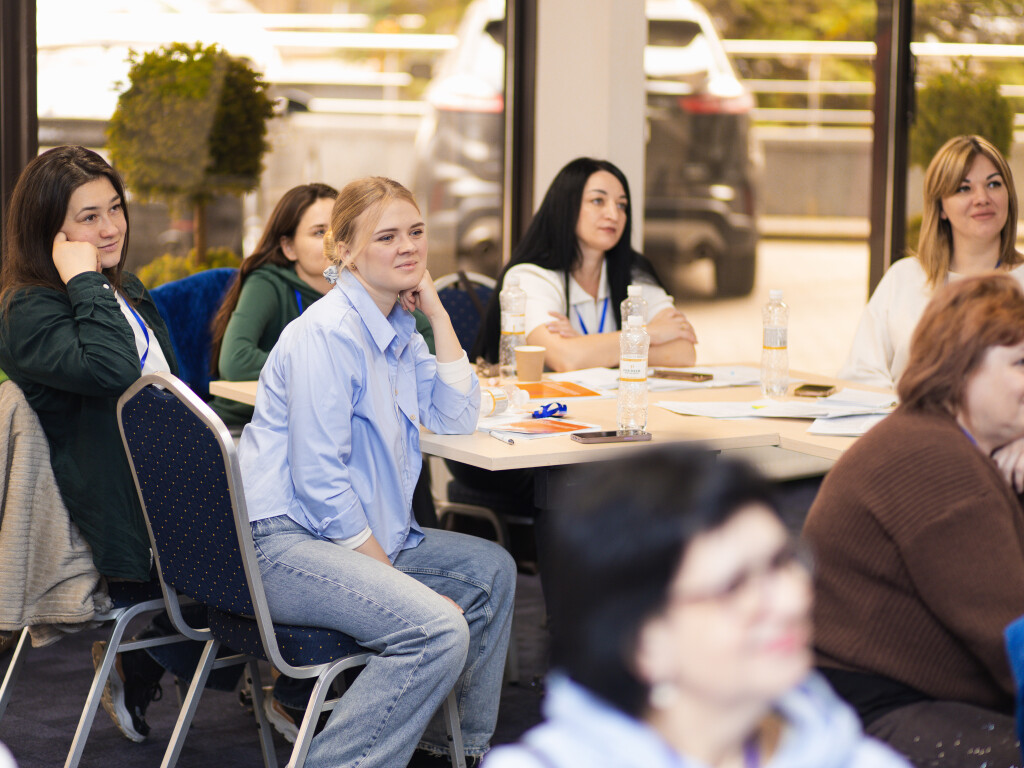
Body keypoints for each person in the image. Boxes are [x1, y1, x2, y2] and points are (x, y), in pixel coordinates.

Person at [238, 176, 516, 767]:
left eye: (415, 232)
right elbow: (319, 484)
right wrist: (395, 583)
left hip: (356, 532)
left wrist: (437, 313)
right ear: (344, 250)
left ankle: (444, 751)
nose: (408, 247)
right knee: (436, 630)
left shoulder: (397, 328)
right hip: (286, 541)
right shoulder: (328, 333)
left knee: (492, 571)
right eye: (387, 237)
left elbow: (456, 416)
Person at [0, 146, 230, 744]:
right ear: (50, 233)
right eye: (89, 217)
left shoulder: (123, 289)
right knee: (271, 577)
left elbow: (170, 388)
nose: (111, 228)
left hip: (173, 487)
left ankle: (154, 661)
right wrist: (81, 278)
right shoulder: (28, 310)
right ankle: (297, 694)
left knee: (306, 529)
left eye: (115, 208)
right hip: (126, 518)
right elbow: (113, 369)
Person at [484, 446, 907, 768]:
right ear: (645, 642)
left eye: (782, 563)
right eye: (734, 586)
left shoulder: (857, 757)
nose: (789, 601)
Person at [805, 273, 1024, 767]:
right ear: (962, 369)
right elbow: (1015, 640)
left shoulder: (943, 440)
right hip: (871, 715)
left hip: (890, 699)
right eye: (1021, 363)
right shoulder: (936, 459)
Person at [208, 182, 435, 426]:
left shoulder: (367, 285)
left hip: (342, 421)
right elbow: (236, 361)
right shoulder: (268, 282)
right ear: (289, 247)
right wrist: (328, 363)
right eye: (319, 232)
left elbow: (425, 343)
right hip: (242, 425)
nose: (332, 239)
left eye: (339, 229)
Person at [473, 157, 696, 372]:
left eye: (621, 205)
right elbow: (567, 359)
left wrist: (585, 346)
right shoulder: (530, 277)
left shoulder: (634, 273)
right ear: (566, 207)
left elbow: (684, 353)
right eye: (598, 201)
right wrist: (650, 333)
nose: (613, 214)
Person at [839, 135, 1024, 389]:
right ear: (941, 208)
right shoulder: (903, 278)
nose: (982, 198)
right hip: (906, 413)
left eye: (993, 184)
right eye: (964, 188)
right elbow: (860, 374)